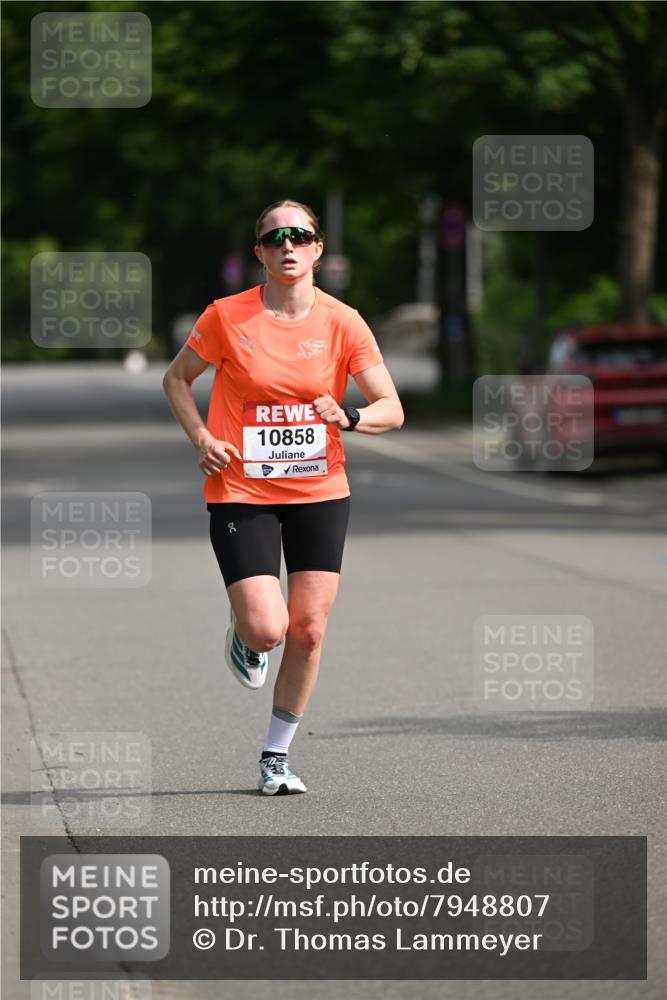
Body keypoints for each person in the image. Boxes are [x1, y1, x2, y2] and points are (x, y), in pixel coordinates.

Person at [162, 199, 404, 795]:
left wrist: (347, 416)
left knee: (310, 631)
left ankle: (276, 756)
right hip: (242, 487)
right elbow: (175, 378)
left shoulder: (344, 322)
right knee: (270, 629)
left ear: (318, 248)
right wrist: (201, 437)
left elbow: (391, 410)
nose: (288, 246)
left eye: (300, 236)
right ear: (260, 254)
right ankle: (246, 630)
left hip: (320, 489)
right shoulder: (227, 316)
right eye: (276, 239)